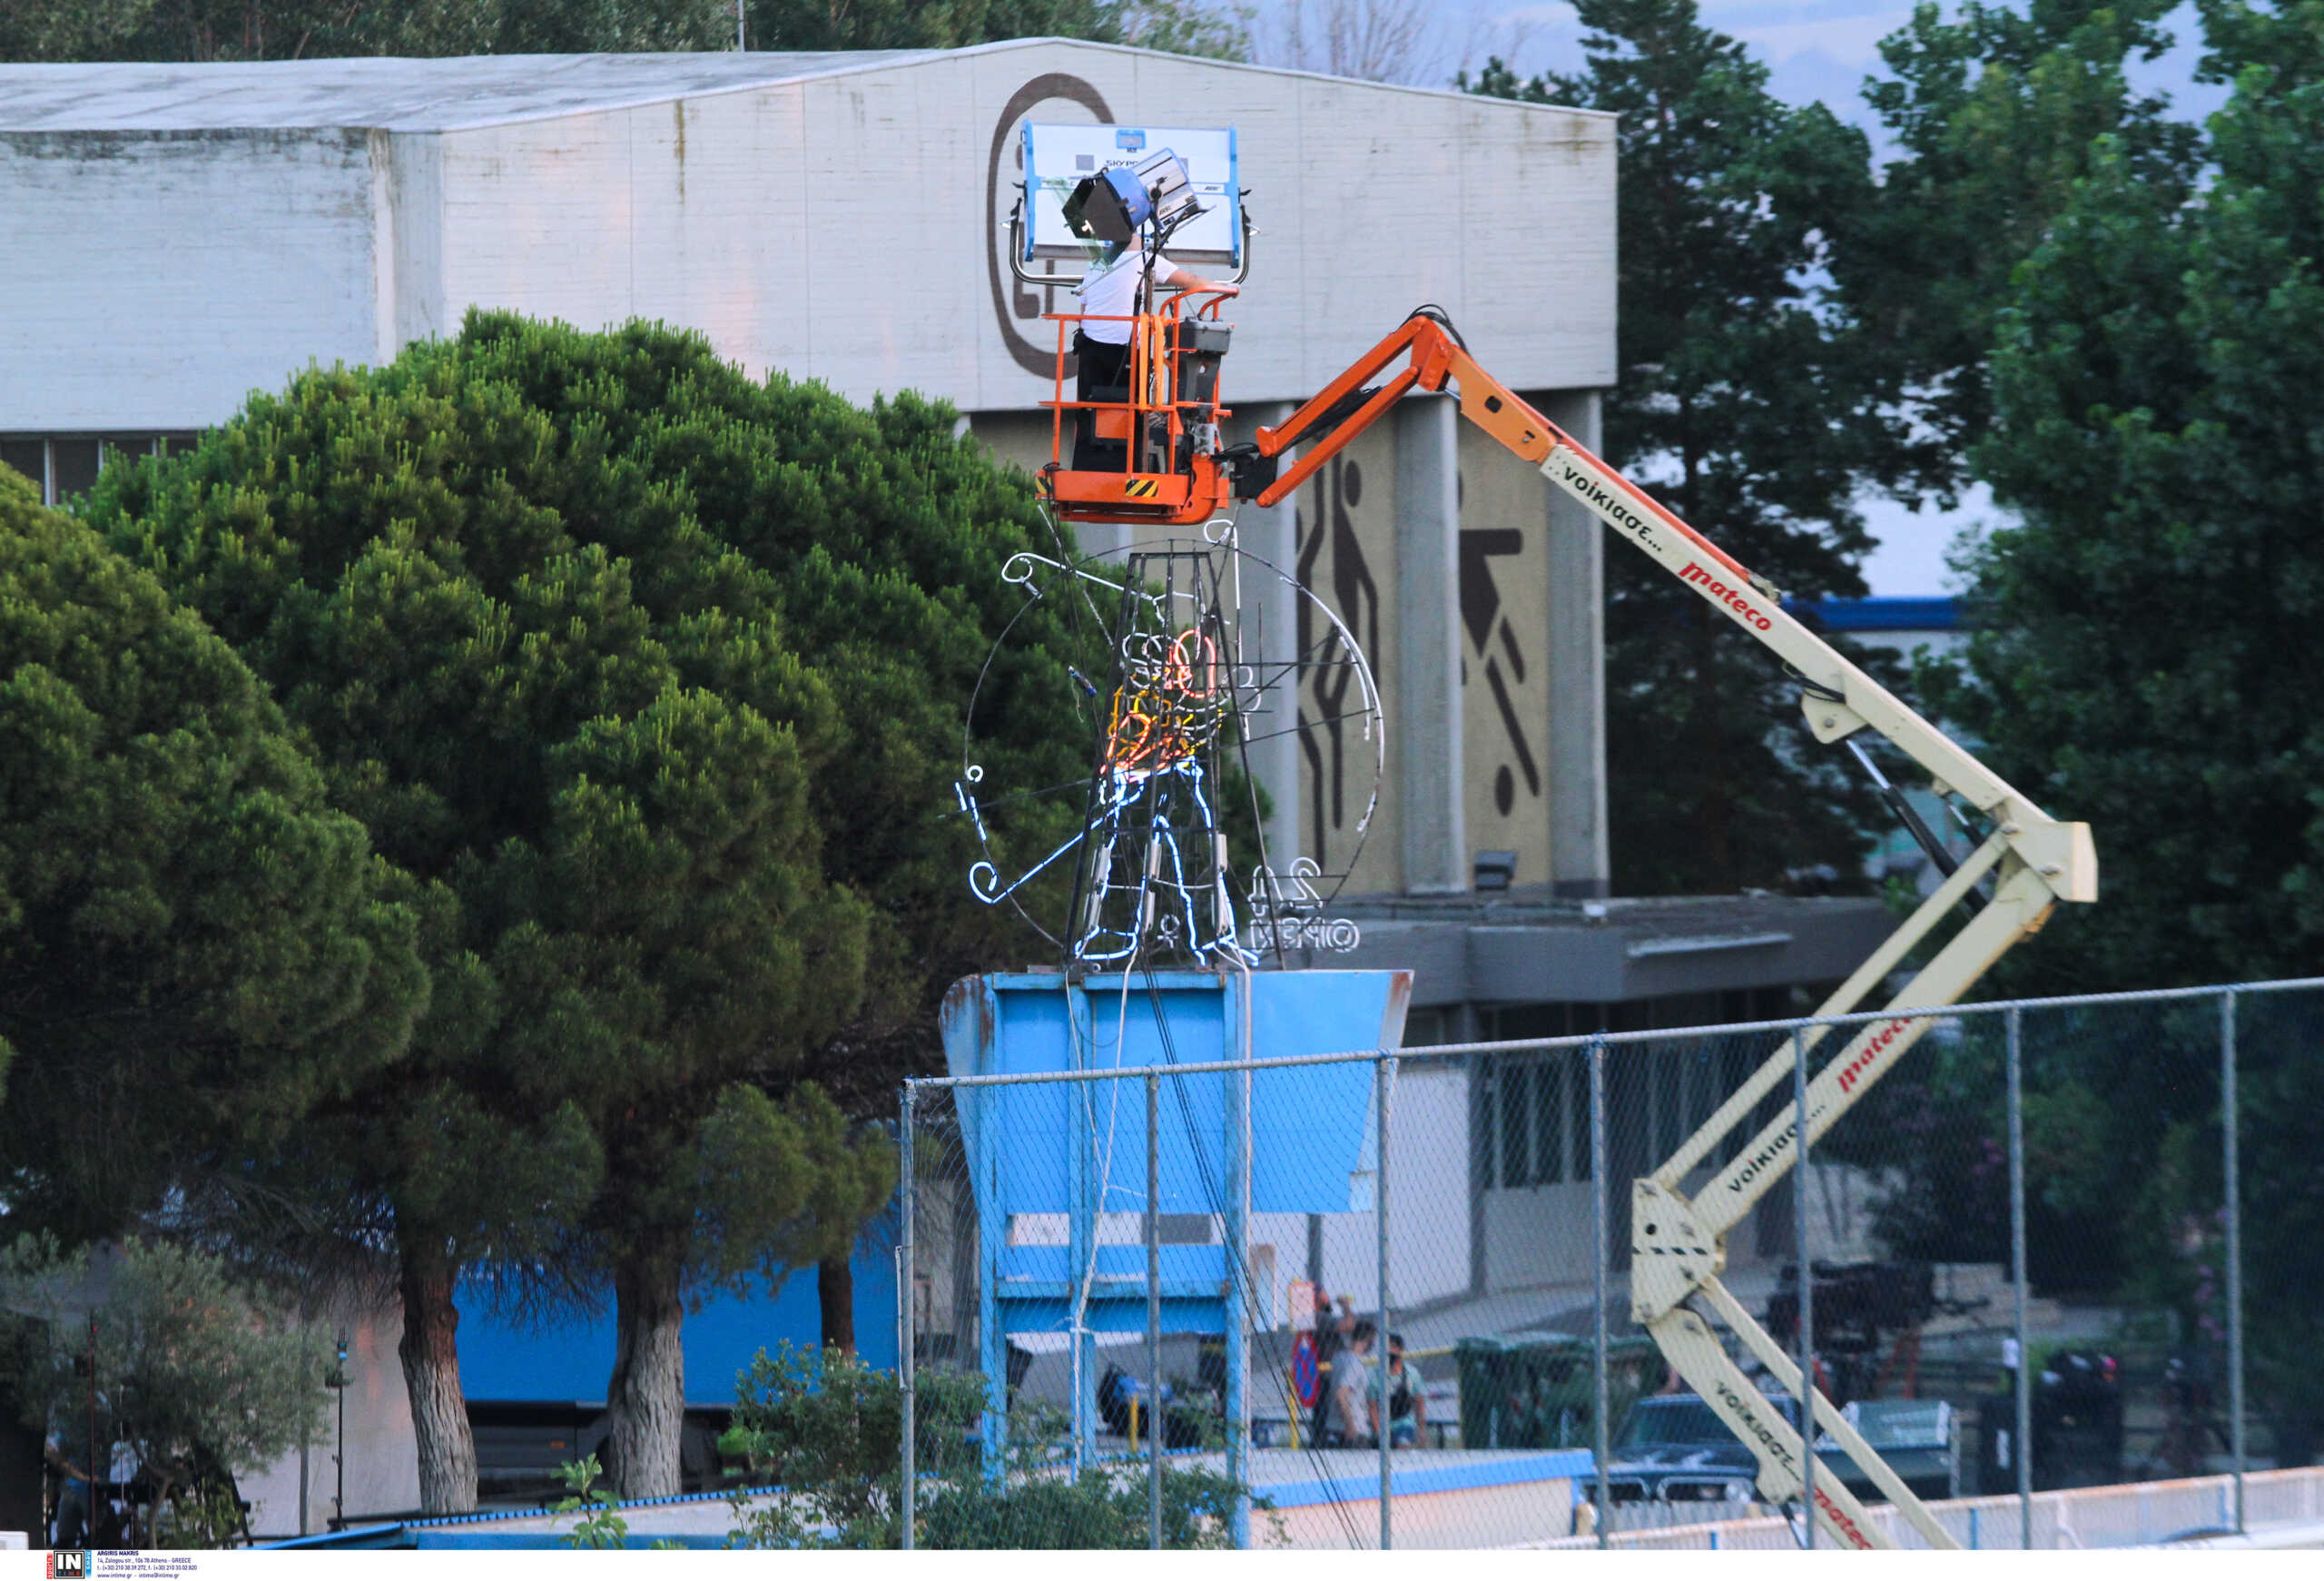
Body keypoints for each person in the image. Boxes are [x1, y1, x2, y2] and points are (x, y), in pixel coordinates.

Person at [1069, 246, 1237, 470]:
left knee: (1091, 408)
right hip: (1126, 349)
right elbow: (1191, 280)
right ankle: (1129, 467)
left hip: (1090, 347)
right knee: (1131, 409)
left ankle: (1086, 466)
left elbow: (1084, 306)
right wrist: (1227, 289)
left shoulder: (1097, 263)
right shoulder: (1145, 259)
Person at [1366, 1332, 1424, 1449]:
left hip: (1404, 1423)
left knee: (1403, 1443)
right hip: (1383, 1426)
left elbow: (1419, 1403)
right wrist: (1378, 1431)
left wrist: (1421, 1429)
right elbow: (1372, 1406)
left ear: (1400, 1350)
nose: (1389, 1352)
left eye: (1393, 1347)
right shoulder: (1375, 1374)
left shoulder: (1411, 1374)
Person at [1332, 1320, 1376, 1448]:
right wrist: (1350, 1424)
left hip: (1334, 1425)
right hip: (1355, 1427)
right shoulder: (1355, 1363)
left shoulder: (1338, 1357)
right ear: (1368, 1339)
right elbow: (1342, 1393)